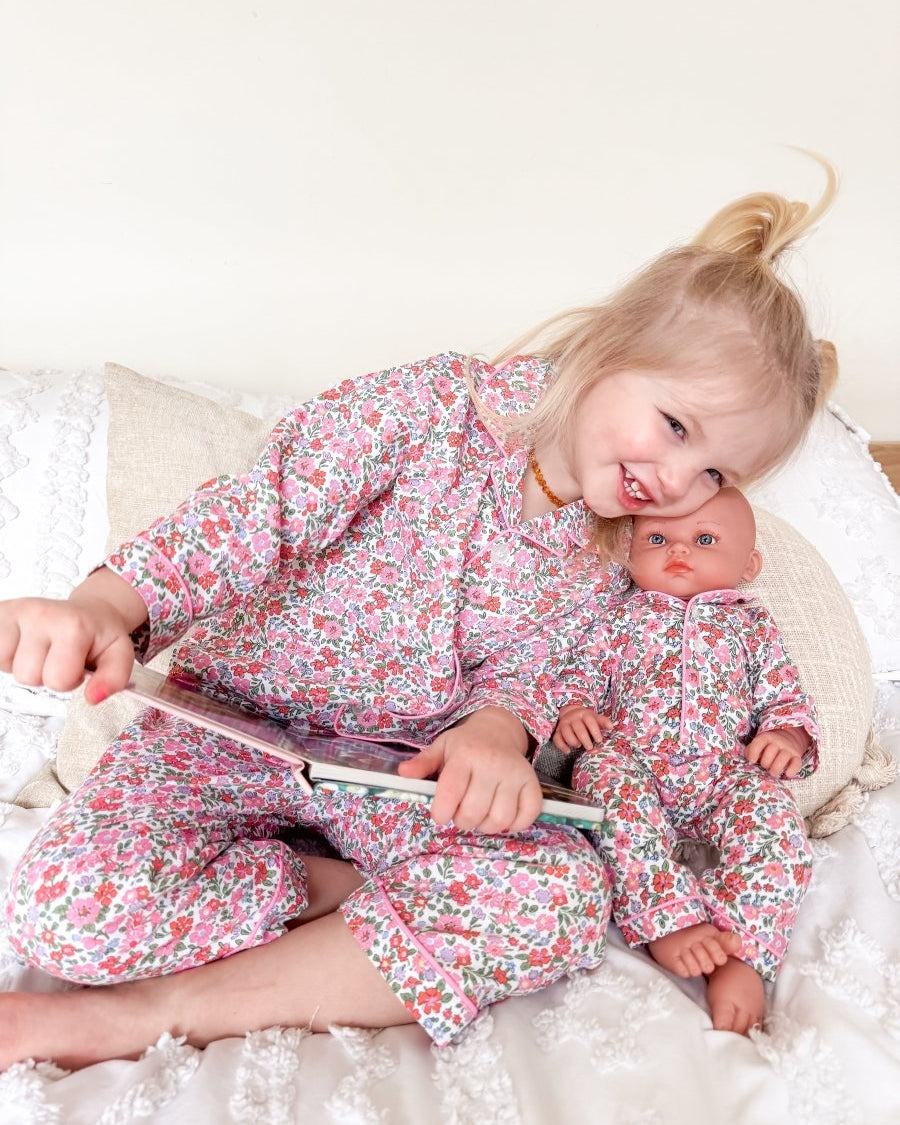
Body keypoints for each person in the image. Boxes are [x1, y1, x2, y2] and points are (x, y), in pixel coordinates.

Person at [0, 162, 837, 1070]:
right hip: (227, 731)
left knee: (560, 898)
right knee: (62, 909)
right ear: (609, 348)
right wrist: (103, 606)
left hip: (397, 775)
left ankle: (133, 1020)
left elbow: (544, 669)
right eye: (676, 426)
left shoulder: (614, 547)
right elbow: (257, 511)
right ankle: (336, 895)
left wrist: (492, 735)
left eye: (716, 473)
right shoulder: (431, 406)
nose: (678, 484)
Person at [551, 487, 817, 1035]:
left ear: (749, 565)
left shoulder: (752, 626)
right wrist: (575, 709)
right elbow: (577, 675)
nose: (679, 549)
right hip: (635, 761)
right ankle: (668, 920)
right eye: (656, 538)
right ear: (630, 552)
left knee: (775, 821)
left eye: (703, 539)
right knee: (604, 784)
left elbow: (784, 697)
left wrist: (787, 736)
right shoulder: (618, 620)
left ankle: (743, 952)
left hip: (726, 771)